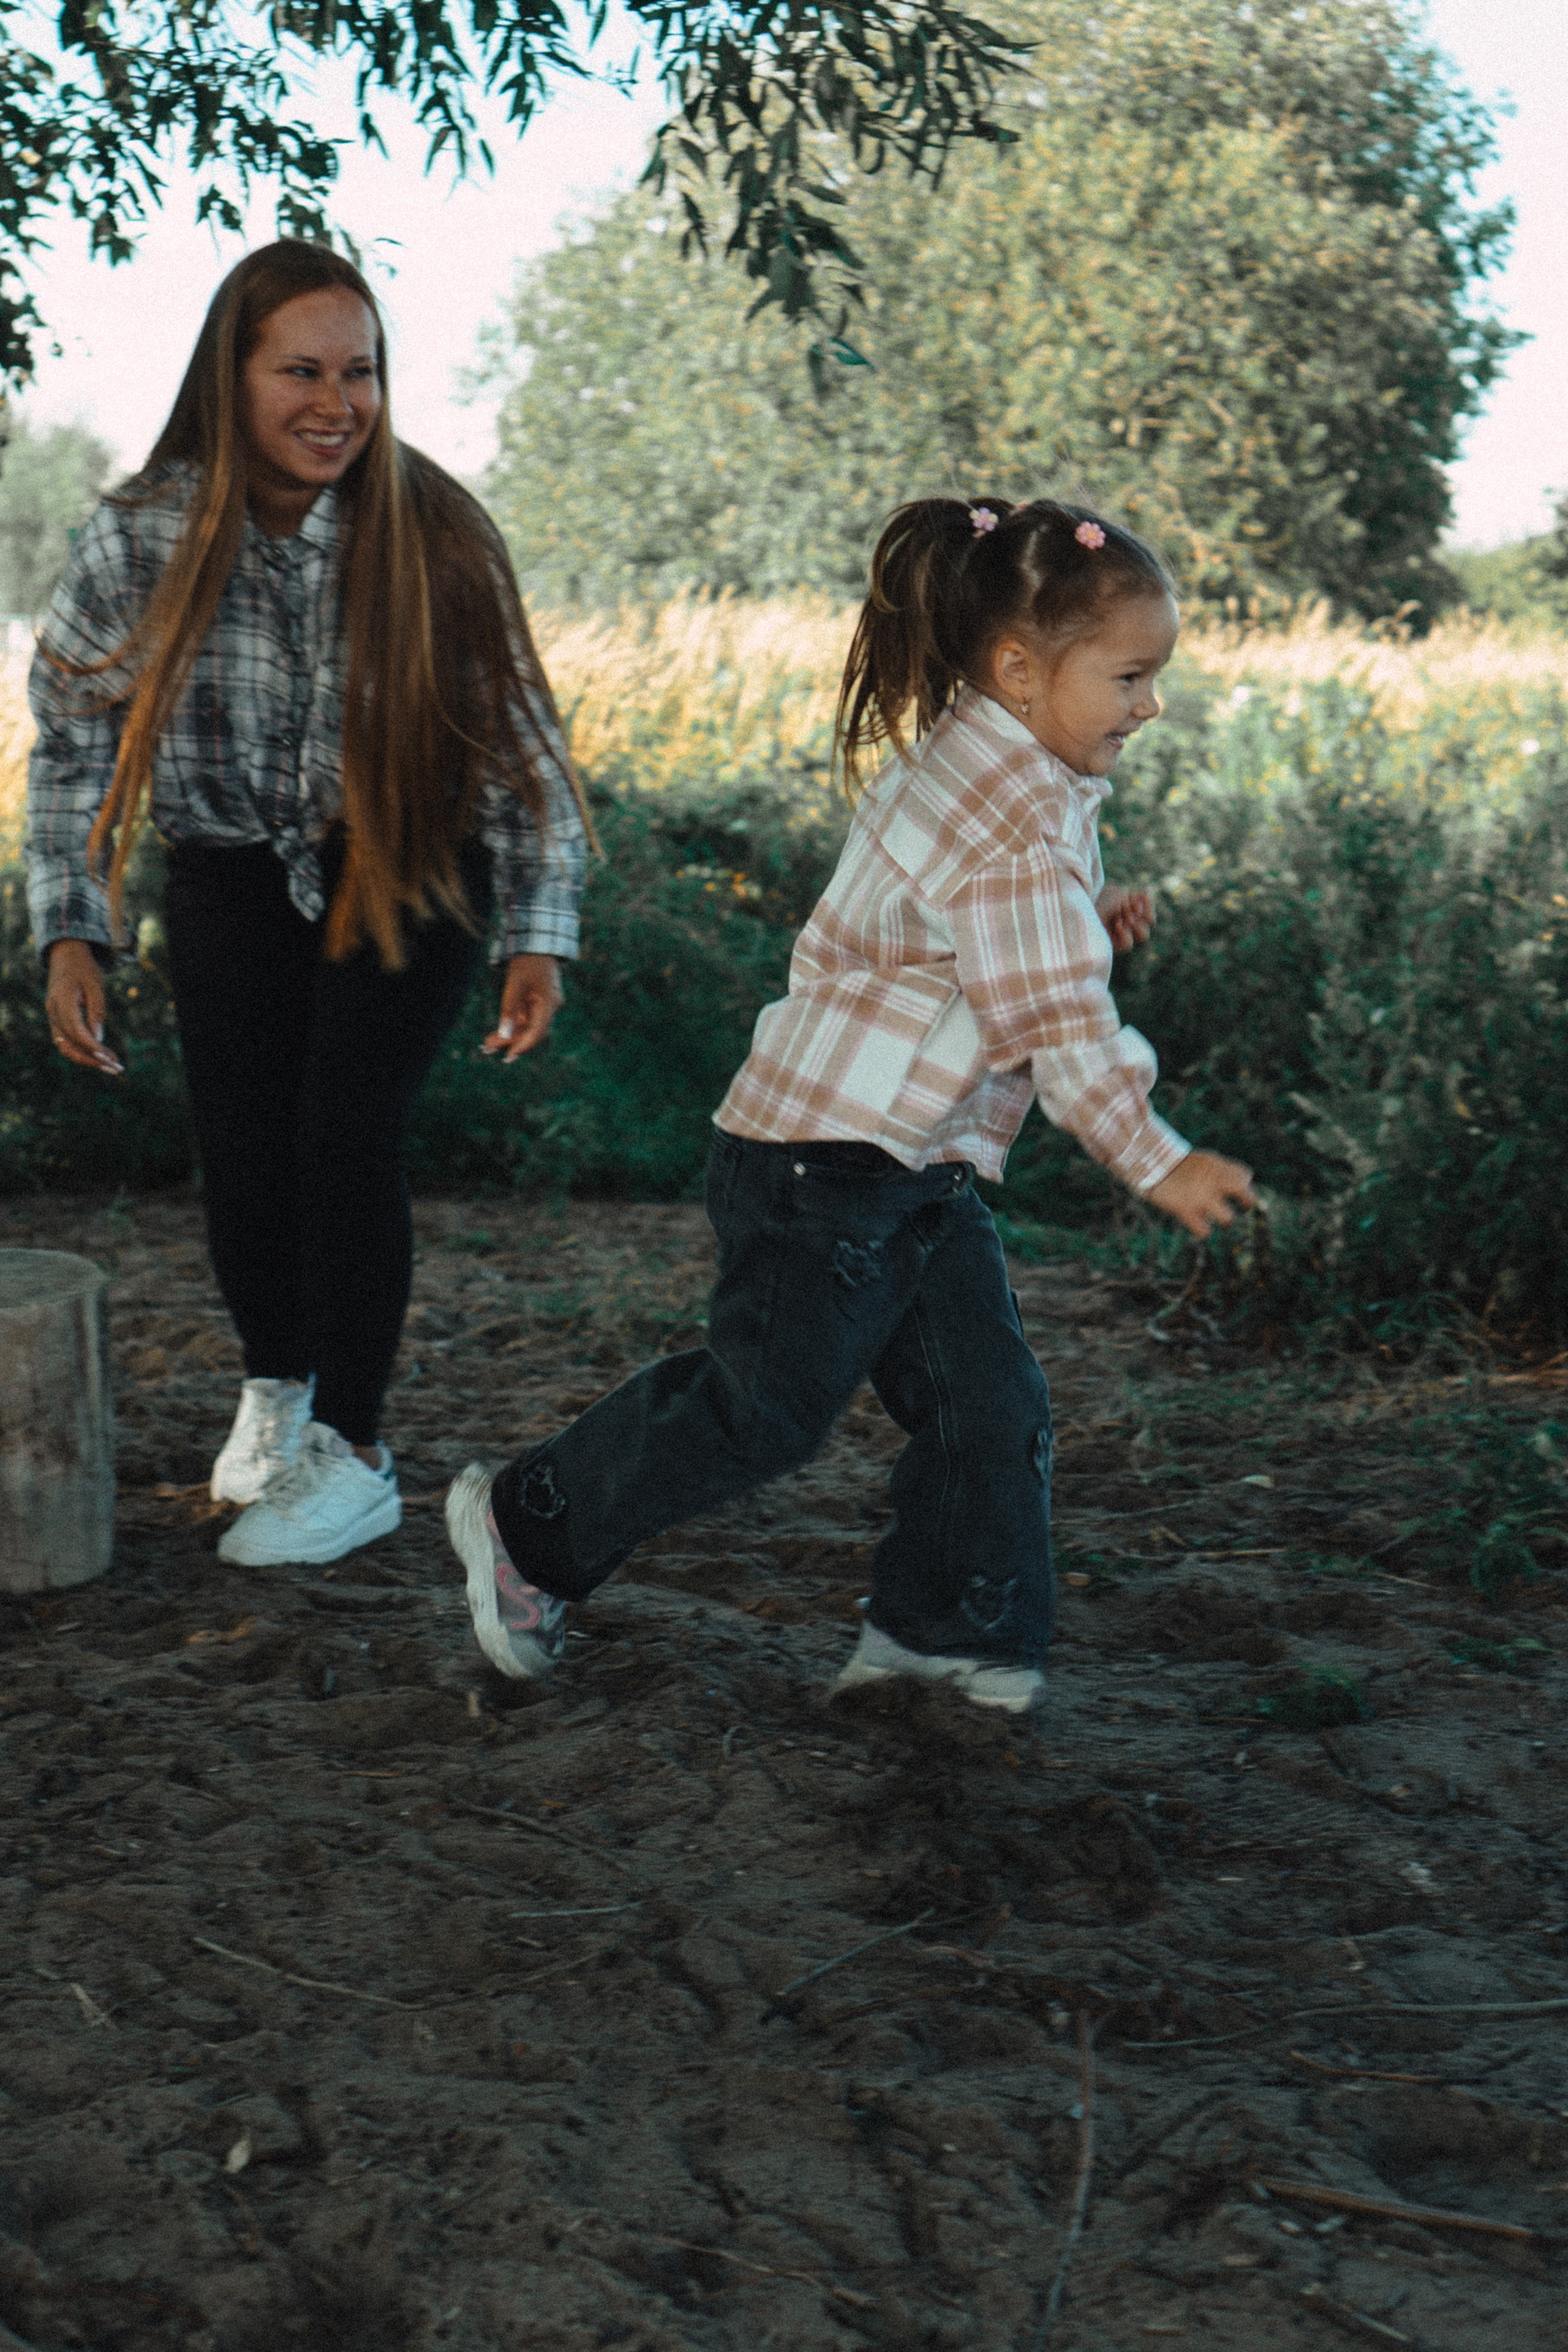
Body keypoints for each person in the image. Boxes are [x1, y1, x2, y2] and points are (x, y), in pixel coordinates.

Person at [445, 495, 1254, 1713]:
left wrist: (1075, 929)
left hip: (905, 1160)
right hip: (821, 1164)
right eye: (1131, 678)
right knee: (763, 1413)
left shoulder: (1000, 771)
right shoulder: (1011, 820)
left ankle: (940, 1634)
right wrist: (1156, 1158)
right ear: (1019, 668)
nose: (1149, 707)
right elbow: (1054, 1027)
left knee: (985, 1401)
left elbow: (964, 959)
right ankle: (530, 1522)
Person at [27, 240, 587, 1569]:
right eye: (302, 371)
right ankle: (278, 1390)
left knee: (343, 1132)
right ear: (231, 375)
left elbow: (526, 750)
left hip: (404, 867)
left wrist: (536, 933)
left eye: (362, 371)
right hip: (225, 867)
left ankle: (356, 1449)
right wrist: (71, 925)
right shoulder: (139, 534)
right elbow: (71, 743)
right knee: (244, 1143)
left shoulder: (435, 531)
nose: (336, 401)